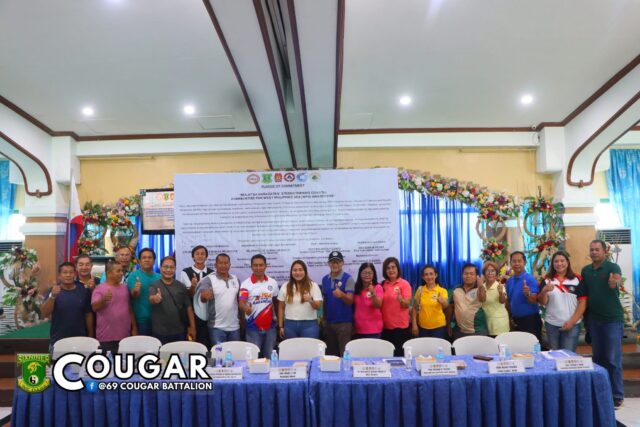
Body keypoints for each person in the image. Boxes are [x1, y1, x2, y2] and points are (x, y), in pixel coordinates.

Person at [581, 240, 624, 408]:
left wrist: (615, 283)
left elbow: (617, 280)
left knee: (612, 359)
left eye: (597, 249)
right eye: (591, 250)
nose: (594, 252)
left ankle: (617, 395)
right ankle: (601, 394)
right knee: (598, 359)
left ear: (604, 251)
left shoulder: (612, 267)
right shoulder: (586, 270)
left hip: (612, 319)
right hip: (594, 320)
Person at [537, 251, 587, 352]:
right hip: (552, 325)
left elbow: (582, 303)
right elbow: (543, 302)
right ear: (552, 264)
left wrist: (572, 322)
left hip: (572, 325)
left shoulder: (577, 279)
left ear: (567, 262)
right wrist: (544, 291)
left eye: (562, 261)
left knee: (568, 356)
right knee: (554, 355)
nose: (559, 264)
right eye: (556, 261)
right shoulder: (547, 280)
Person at [40, 262, 93, 354]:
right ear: (59, 276)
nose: (68, 275)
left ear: (75, 275)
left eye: (71, 272)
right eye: (65, 272)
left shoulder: (83, 290)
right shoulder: (52, 290)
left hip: (80, 340)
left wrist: (91, 336)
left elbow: (88, 315)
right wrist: (53, 296)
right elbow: (44, 313)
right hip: (58, 340)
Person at [194, 253, 241, 345]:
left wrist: (242, 321)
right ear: (215, 265)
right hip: (216, 328)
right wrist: (204, 297)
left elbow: (238, 301)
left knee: (235, 353)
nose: (223, 265)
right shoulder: (208, 279)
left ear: (230, 265)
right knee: (218, 353)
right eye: (220, 263)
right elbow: (203, 298)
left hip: (235, 327)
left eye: (226, 263)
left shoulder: (236, 279)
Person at [92, 261, 137, 354]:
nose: (121, 273)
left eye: (122, 271)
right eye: (118, 271)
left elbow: (129, 309)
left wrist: (134, 328)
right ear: (109, 273)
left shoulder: (125, 288)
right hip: (106, 338)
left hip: (125, 336)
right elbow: (94, 308)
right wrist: (103, 300)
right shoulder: (99, 288)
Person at [149, 256, 196, 345]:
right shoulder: (154, 285)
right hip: (160, 332)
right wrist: (155, 299)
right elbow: (151, 299)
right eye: (165, 267)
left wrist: (193, 327)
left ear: (175, 269)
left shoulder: (181, 286)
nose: (168, 270)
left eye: (171, 267)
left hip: (180, 331)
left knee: (179, 353)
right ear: (160, 268)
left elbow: (189, 308)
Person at [239, 254, 279, 357]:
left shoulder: (273, 282)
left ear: (265, 266)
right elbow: (241, 303)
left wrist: (278, 319)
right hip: (253, 329)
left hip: (270, 328)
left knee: (269, 357)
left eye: (261, 265)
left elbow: (276, 302)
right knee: (253, 358)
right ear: (251, 267)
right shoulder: (246, 284)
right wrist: (246, 308)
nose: (258, 268)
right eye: (255, 265)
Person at [321, 251, 355, 356]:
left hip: (344, 324)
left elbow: (350, 300)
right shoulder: (325, 279)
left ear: (342, 263)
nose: (335, 264)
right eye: (332, 262)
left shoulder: (348, 279)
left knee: (344, 354)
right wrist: (324, 318)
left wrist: (342, 295)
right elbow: (325, 300)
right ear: (328, 264)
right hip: (329, 323)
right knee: (331, 355)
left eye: (338, 262)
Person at [277, 260, 323, 339]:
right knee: (292, 347)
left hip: (309, 325)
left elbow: (318, 306)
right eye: (295, 270)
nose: (298, 273)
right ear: (291, 272)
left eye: (300, 270)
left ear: (305, 271)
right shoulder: (285, 286)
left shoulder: (313, 285)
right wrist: (281, 326)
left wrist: (310, 300)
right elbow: (281, 308)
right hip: (290, 325)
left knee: (309, 347)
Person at [180, 245, 214, 347]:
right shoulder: (186, 272)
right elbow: (188, 295)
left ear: (206, 257)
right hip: (192, 314)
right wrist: (193, 286)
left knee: (208, 343)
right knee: (193, 343)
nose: (200, 256)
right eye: (197, 254)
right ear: (193, 257)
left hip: (208, 314)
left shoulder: (212, 274)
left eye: (202, 254)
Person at [505, 251, 541, 339]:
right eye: (514, 261)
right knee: (517, 346)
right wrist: (510, 318)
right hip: (515, 320)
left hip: (530, 321)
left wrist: (528, 293)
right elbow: (509, 301)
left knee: (532, 346)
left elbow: (534, 300)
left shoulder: (530, 279)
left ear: (525, 262)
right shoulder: (509, 281)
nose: (517, 264)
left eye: (519, 261)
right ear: (510, 263)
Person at [380, 257, 412, 356]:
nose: (391, 270)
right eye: (388, 268)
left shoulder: (404, 284)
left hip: (400, 328)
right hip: (385, 328)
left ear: (398, 268)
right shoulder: (382, 285)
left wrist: (401, 300)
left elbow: (406, 305)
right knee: (387, 357)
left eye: (393, 267)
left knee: (400, 358)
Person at [126, 248, 161, 336]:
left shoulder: (160, 277)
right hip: (141, 321)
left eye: (150, 257)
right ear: (139, 261)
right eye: (144, 258)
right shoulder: (133, 276)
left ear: (154, 260)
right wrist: (136, 290)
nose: (147, 260)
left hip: (159, 320)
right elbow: (134, 295)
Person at [448, 263, 487, 339]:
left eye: (471, 274)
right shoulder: (456, 289)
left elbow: (483, 299)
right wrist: (448, 325)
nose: (468, 276)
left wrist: (480, 287)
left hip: (477, 331)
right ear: (462, 275)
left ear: (476, 276)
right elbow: (451, 308)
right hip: (459, 331)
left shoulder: (480, 289)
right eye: (465, 274)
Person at [411, 264, 449, 339]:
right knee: (424, 346)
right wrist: (414, 324)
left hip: (439, 328)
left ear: (436, 275)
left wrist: (443, 302)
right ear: (423, 277)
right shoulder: (420, 290)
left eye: (431, 274)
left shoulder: (442, 290)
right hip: (423, 328)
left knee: (437, 347)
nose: (429, 277)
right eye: (426, 274)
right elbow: (414, 308)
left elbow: (446, 306)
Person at [353, 263, 384, 339]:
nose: (367, 275)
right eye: (364, 273)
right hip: (358, 329)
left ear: (374, 274)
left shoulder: (378, 287)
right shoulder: (356, 287)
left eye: (370, 273)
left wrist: (373, 293)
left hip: (374, 329)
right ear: (360, 274)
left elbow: (378, 305)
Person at [480, 261, 509, 337]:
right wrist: (480, 287)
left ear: (496, 273)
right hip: (486, 322)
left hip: (499, 323)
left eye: (493, 271)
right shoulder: (482, 286)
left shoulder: (500, 286)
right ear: (484, 273)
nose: (490, 273)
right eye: (487, 271)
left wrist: (500, 293)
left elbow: (502, 301)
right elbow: (481, 300)